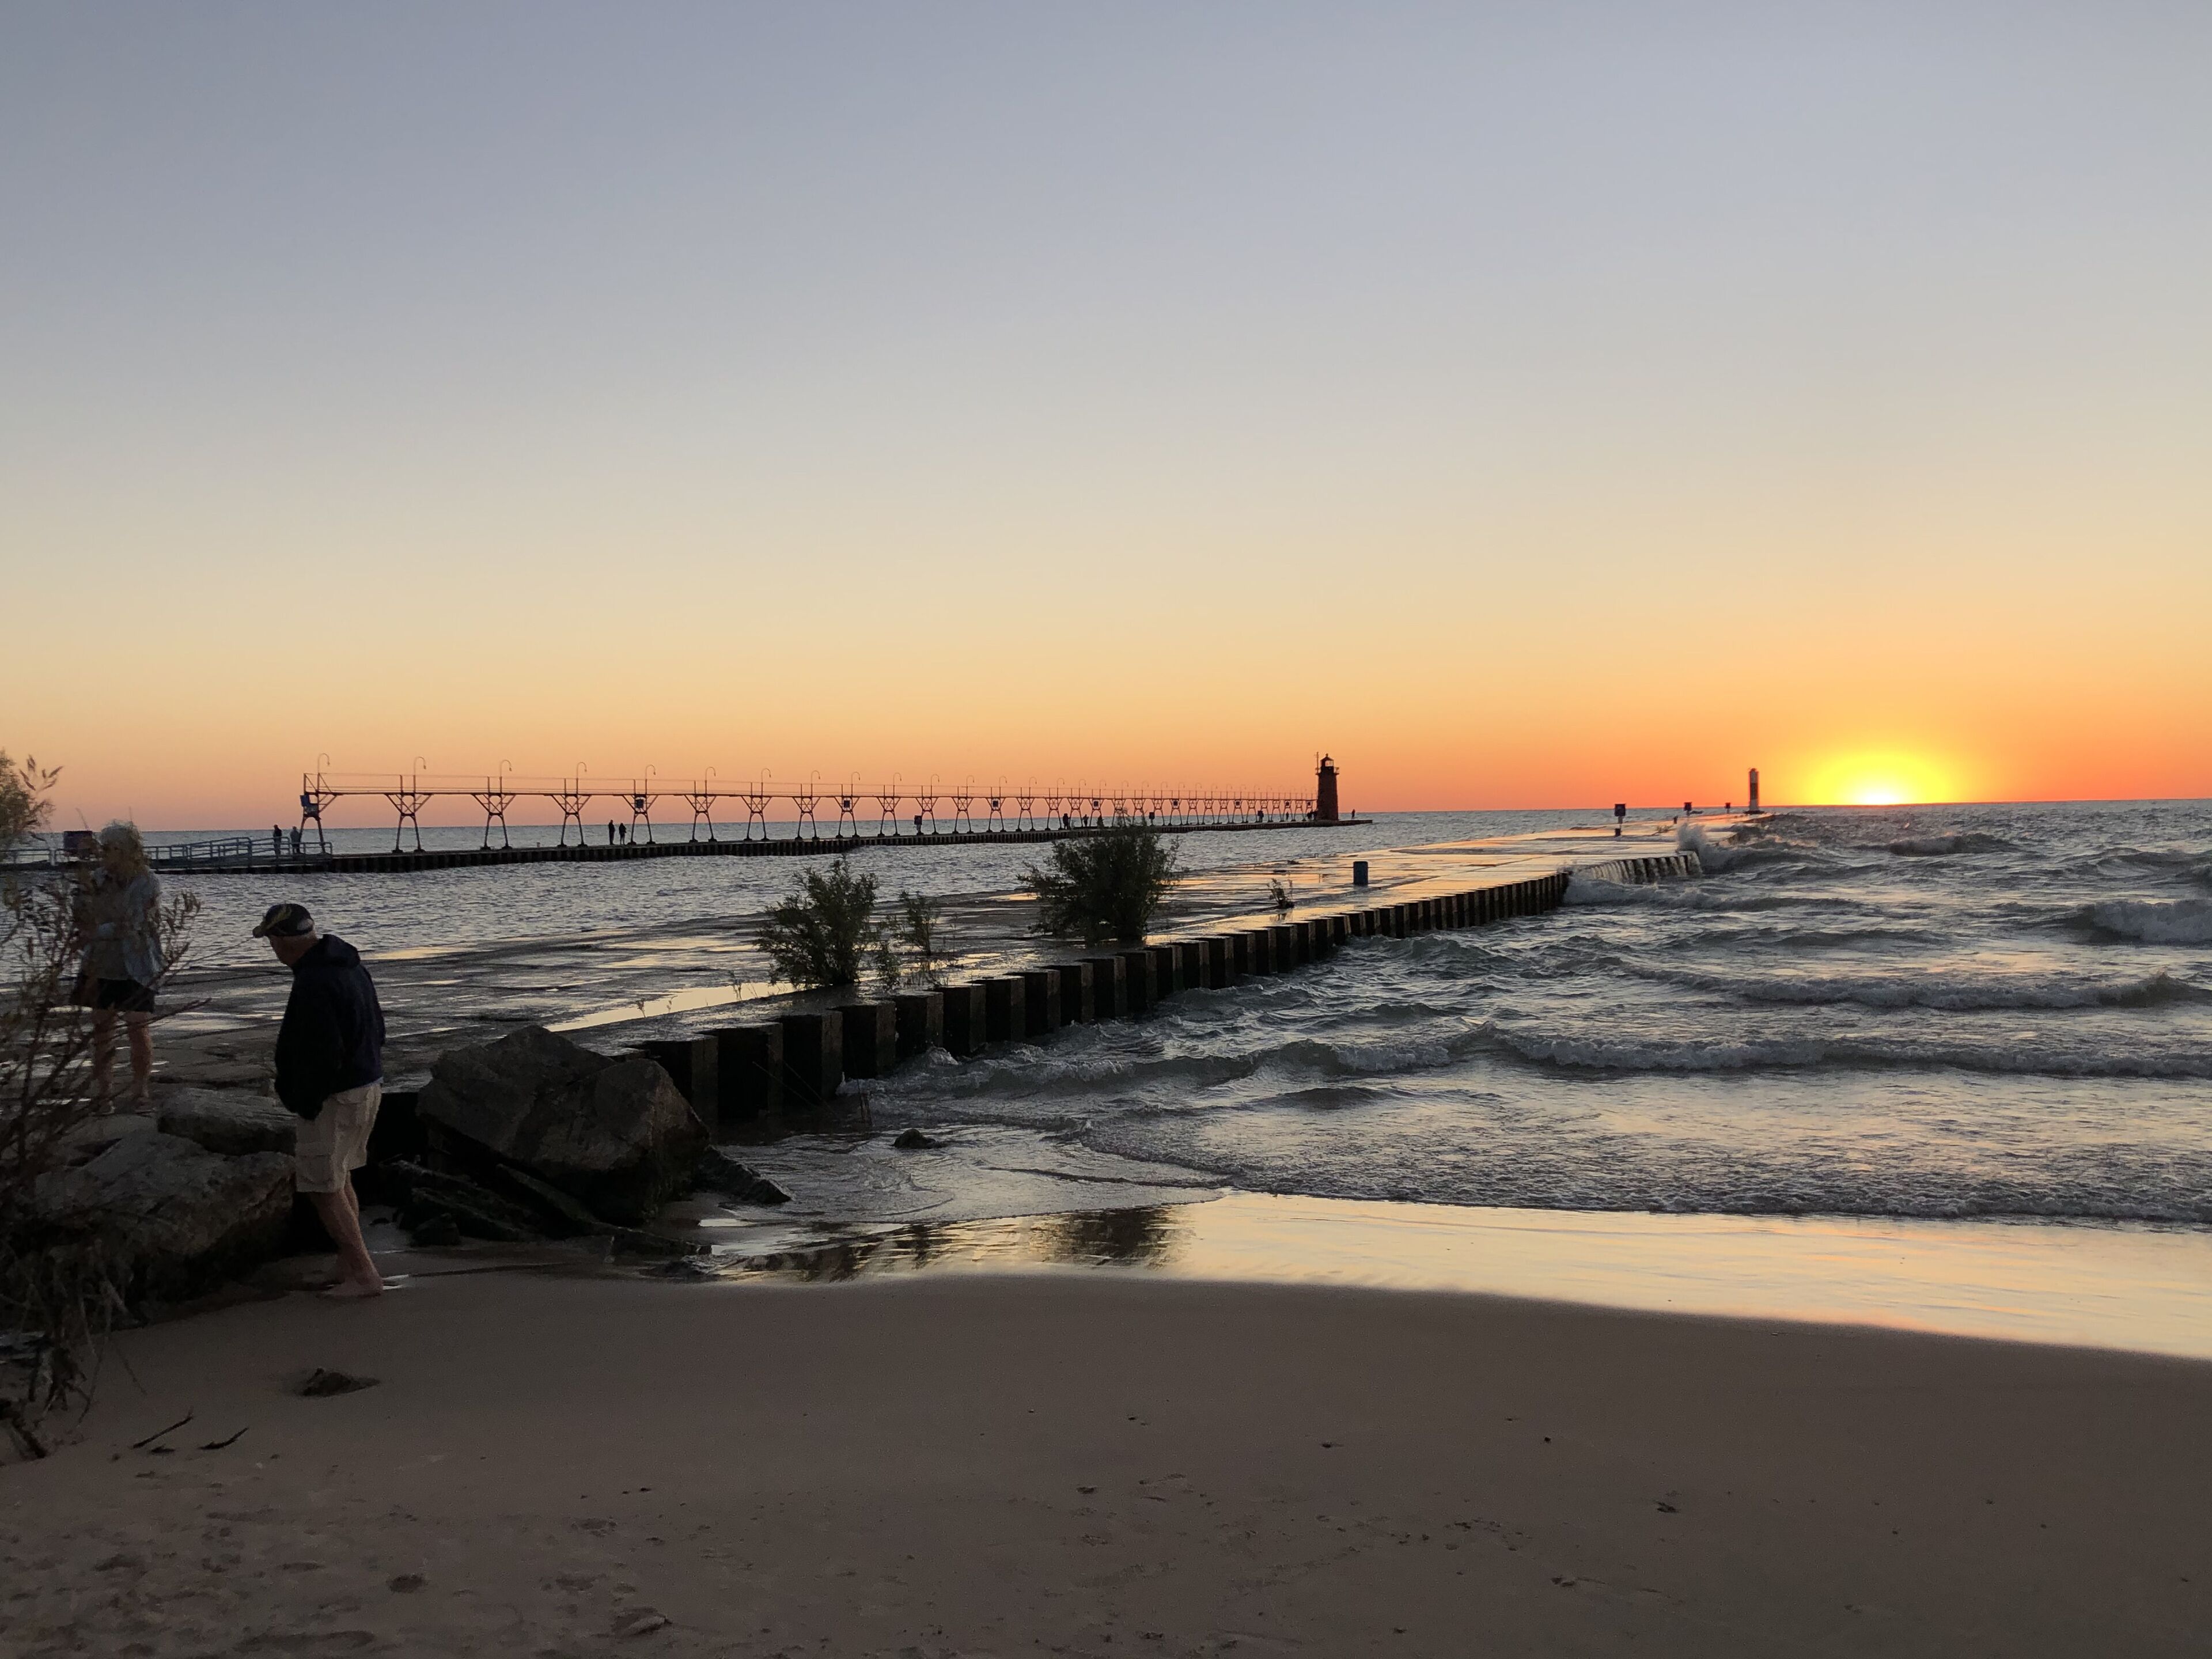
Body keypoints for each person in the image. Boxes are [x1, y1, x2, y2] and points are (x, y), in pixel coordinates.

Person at [255, 901, 388, 1298]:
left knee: (322, 1186)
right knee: (339, 1174)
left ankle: (364, 1274)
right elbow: (377, 1026)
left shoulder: (314, 982)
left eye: (271, 940)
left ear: (282, 941)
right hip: (368, 1084)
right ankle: (349, 1263)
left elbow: (321, 1053)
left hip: (336, 1095)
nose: (272, 950)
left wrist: (302, 1097)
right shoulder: (348, 965)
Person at [77, 822, 164, 1111]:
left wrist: (98, 930)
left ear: (128, 851)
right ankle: (104, 1093)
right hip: (100, 964)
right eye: (104, 848)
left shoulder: (146, 882)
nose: (106, 854)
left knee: (138, 1027)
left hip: (137, 963)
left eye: (112, 849)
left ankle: (140, 1091)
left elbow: (133, 924)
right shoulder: (95, 880)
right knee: (102, 1030)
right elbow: (82, 918)